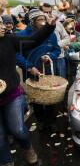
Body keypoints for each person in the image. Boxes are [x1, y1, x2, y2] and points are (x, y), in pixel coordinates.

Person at [0, 15, 57, 166]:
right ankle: (7, 162)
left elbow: (33, 41)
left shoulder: (9, 40)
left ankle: (28, 148)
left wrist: (49, 27)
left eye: (2, 23)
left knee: (18, 129)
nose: (3, 26)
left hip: (11, 94)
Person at [16, 9, 61, 132]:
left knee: (51, 96)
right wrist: (29, 67)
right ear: (32, 22)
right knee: (36, 98)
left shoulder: (51, 34)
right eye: (40, 20)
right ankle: (40, 120)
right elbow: (17, 55)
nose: (43, 22)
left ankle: (51, 121)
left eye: (44, 19)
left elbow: (57, 50)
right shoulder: (21, 35)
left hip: (49, 70)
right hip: (32, 71)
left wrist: (50, 56)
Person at [40, 3, 70, 78]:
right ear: (41, 13)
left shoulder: (58, 23)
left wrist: (56, 45)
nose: (48, 14)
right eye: (45, 12)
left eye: (50, 12)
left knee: (61, 80)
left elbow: (67, 38)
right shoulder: (39, 25)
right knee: (50, 82)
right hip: (46, 59)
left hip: (59, 57)